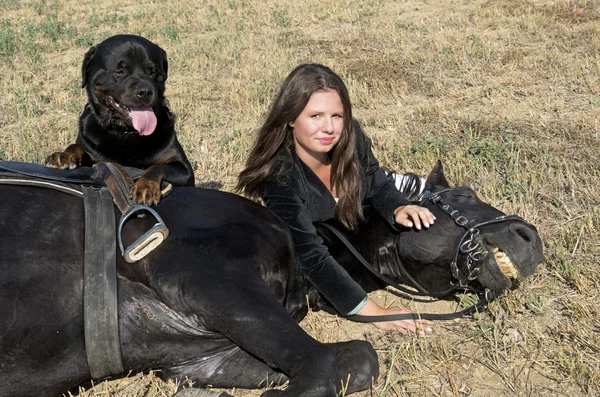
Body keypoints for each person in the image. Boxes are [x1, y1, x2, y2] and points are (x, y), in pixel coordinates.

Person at [237, 64, 436, 334]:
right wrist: (375, 313)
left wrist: (398, 205)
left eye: (337, 116)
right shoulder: (282, 178)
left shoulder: (352, 138)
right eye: (315, 116)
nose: (328, 128)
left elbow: (376, 180)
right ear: (291, 118)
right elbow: (310, 256)